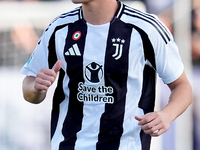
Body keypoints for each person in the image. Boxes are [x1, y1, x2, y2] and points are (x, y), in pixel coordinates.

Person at [21, 0, 193, 149]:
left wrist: (167, 115)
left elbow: (182, 86)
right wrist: (37, 88)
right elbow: (29, 88)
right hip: (68, 145)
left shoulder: (147, 28)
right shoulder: (59, 28)